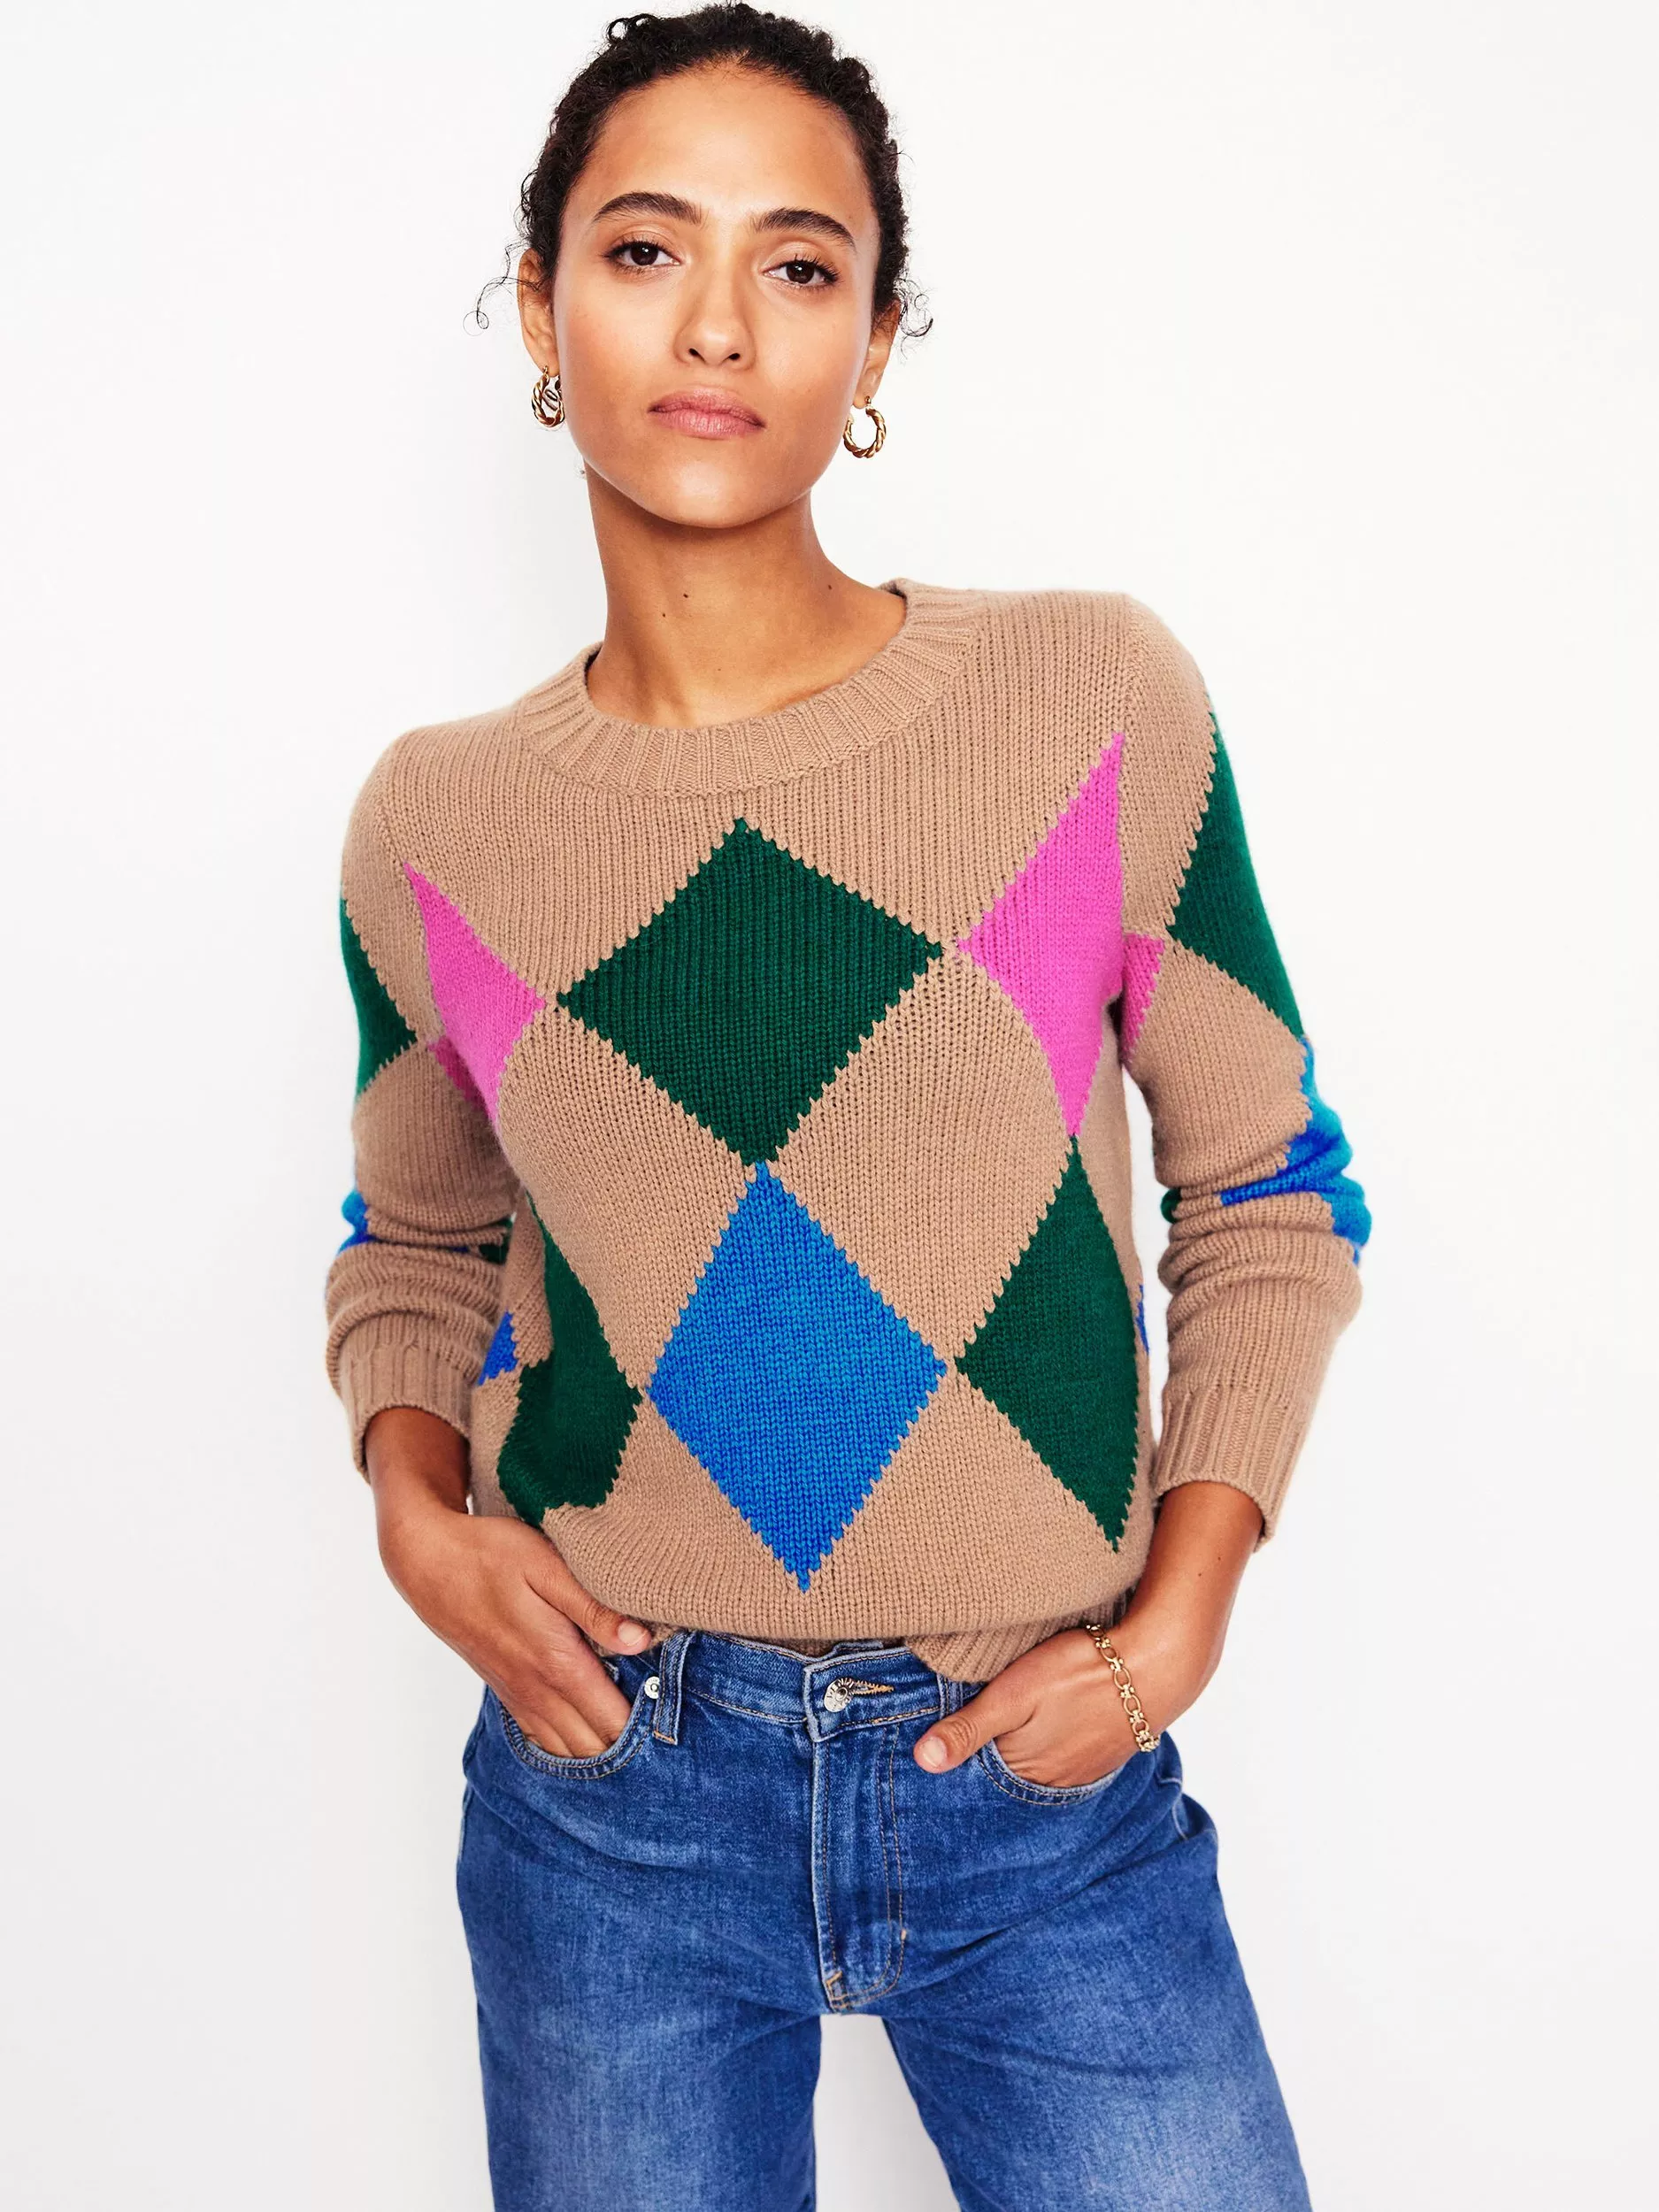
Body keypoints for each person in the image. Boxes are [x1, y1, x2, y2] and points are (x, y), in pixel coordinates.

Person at [322, 8, 1371, 2207]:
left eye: (798, 266)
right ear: (539, 310)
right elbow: (415, 1240)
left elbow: (1266, 1187)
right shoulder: (435, 821)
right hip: (612, 1790)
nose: (717, 324)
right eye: (643, 250)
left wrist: (1182, 1610)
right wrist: (417, 1513)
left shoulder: (1090, 697)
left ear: (877, 338)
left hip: (1043, 1778)